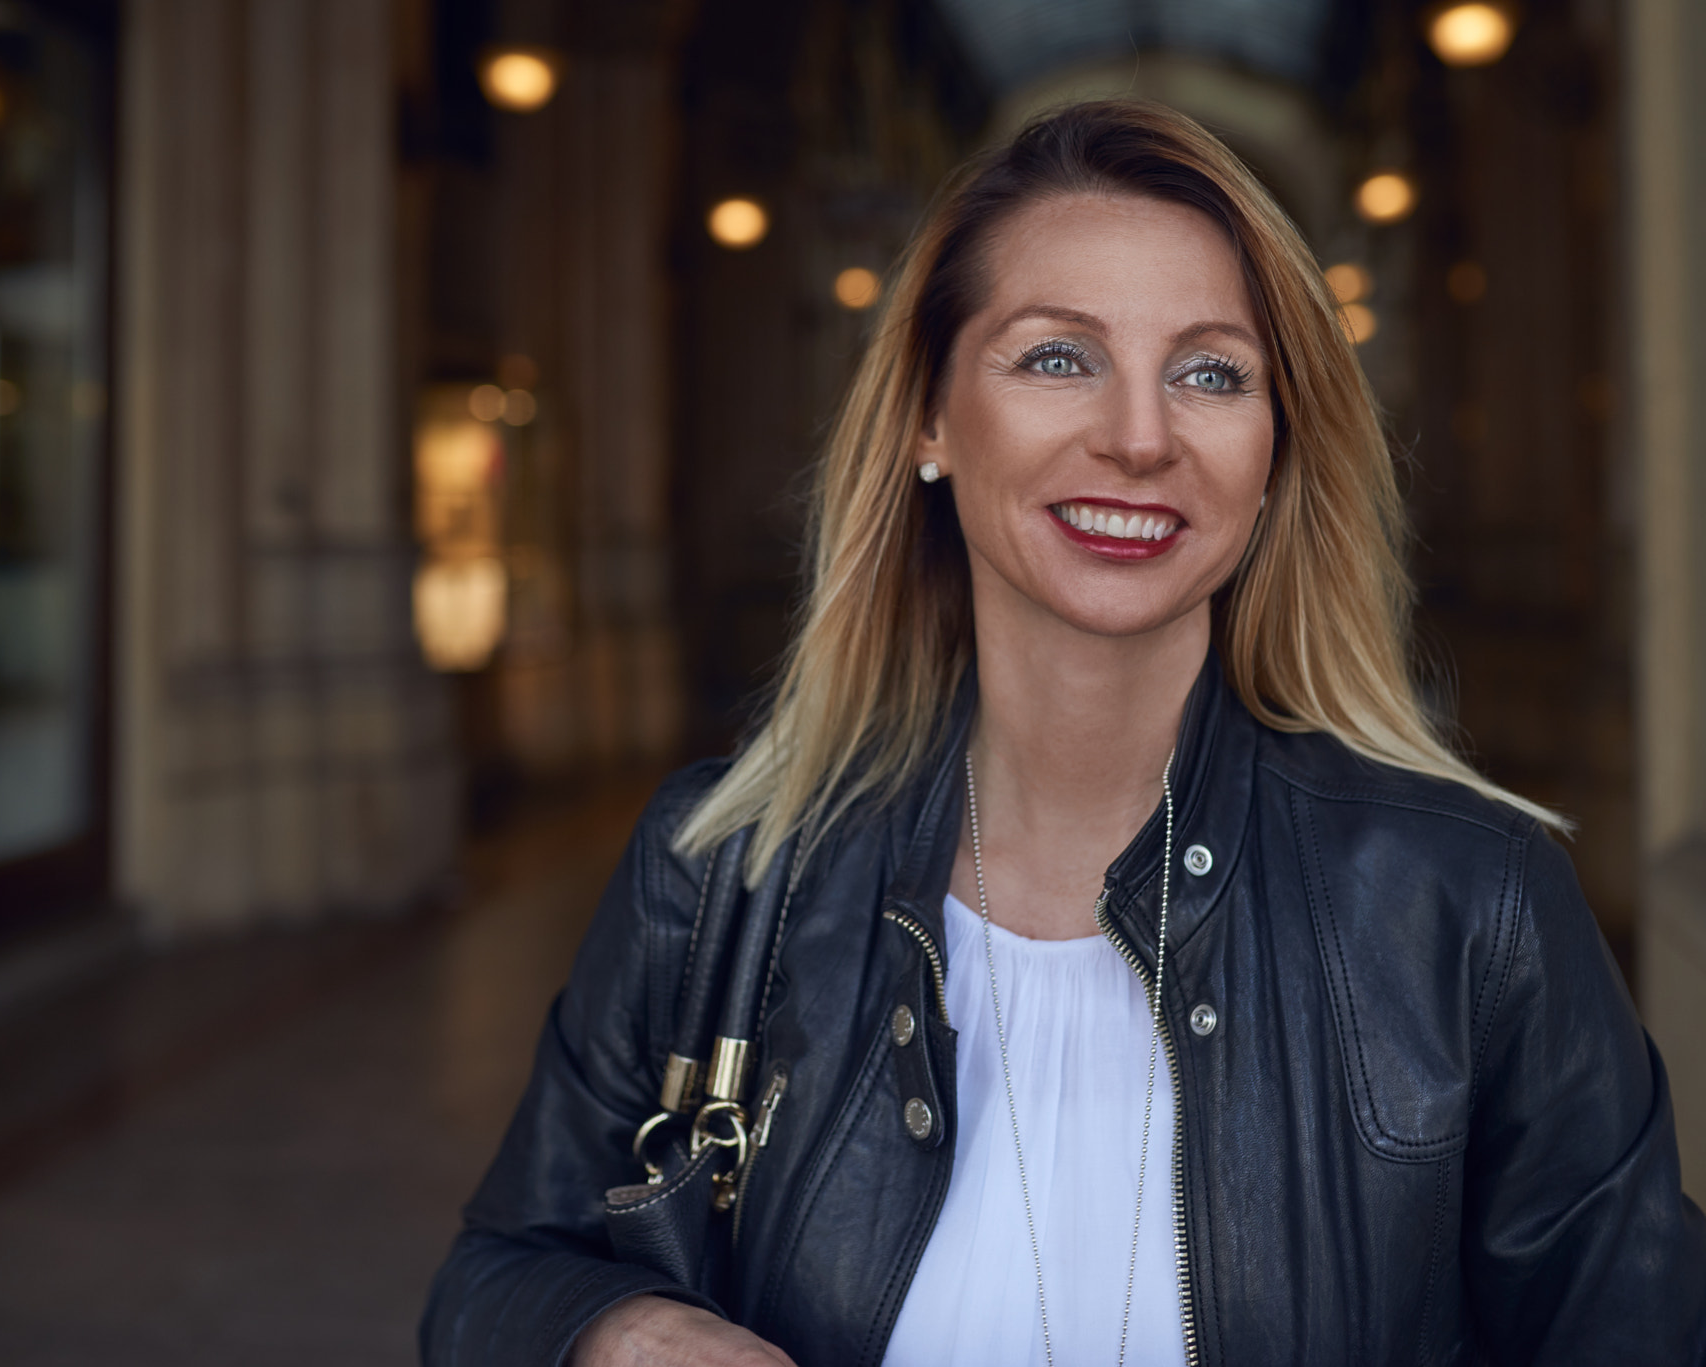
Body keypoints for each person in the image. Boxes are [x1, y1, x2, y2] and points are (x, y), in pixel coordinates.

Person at [419, 99, 1706, 1367]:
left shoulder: (1468, 904)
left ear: (1274, 449)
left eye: (1210, 373)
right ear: (927, 417)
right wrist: (615, 1329)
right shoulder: (719, 872)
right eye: (1055, 356)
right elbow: (497, 1276)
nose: (1138, 437)